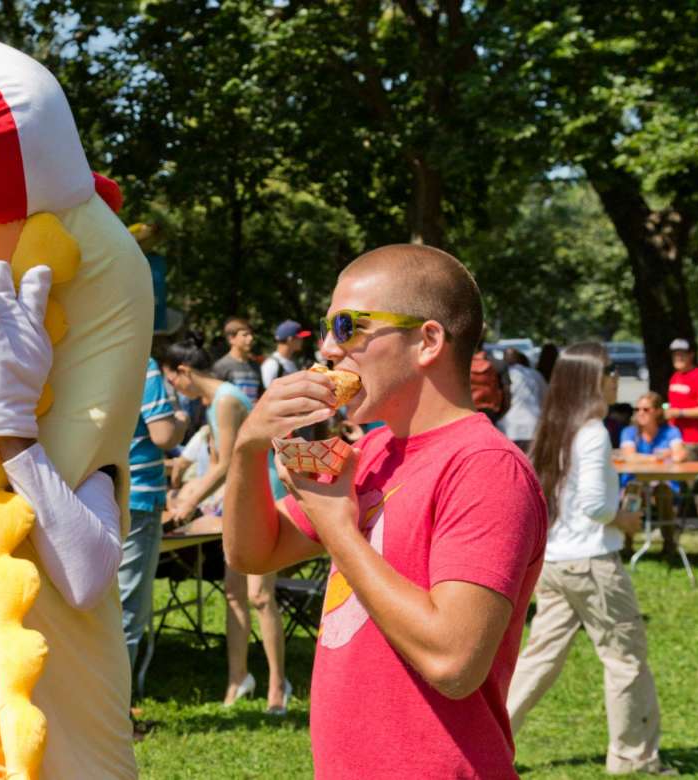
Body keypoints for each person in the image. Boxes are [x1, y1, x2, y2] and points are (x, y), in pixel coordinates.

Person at [223, 244, 546, 777]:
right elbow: (253, 552)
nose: (328, 349)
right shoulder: (372, 451)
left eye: (348, 326)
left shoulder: (486, 467)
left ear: (427, 340)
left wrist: (337, 529)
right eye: (326, 328)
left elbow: (454, 663)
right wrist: (247, 449)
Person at [508, 344, 673, 775]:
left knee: (539, 659)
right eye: (609, 370)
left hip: (557, 563)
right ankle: (632, 757)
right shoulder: (595, 431)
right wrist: (627, 519)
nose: (616, 376)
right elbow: (597, 507)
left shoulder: (556, 428)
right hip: (592, 562)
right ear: (589, 379)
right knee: (625, 659)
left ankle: (490, 738)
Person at [162, 334, 290, 714]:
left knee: (259, 596)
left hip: (262, 496)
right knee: (234, 593)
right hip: (239, 499)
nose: (176, 389)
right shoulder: (216, 401)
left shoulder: (228, 399)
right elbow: (222, 460)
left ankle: (277, 686)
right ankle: (238, 679)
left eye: (173, 381)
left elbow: (222, 465)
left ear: (183, 372)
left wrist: (189, 501)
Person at [119, 355, 187, 685]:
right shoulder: (140, 362)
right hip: (139, 496)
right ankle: (119, 712)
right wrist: (181, 420)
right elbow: (163, 435)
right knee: (128, 606)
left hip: (95, 489)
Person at [619, 391, 686, 557]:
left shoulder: (670, 431)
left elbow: (680, 455)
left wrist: (642, 458)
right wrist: (660, 457)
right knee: (633, 491)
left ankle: (669, 545)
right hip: (634, 483)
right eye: (637, 409)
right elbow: (629, 456)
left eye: (646, 409)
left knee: (663, 491)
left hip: (663, 483)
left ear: (657, 411)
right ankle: (627, 545)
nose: (640, 413)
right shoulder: (629, 432)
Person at [664, 338, 698, 459]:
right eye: (675, 354)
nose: (678, 357)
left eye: (682, 354)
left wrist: (679, 413)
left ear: (691, 355)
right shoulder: (675, 376)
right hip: (674, 439)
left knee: (689, 477)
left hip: (692, 441)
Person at [498, 347, 547, 453]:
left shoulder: (503, 375)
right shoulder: (535, 374)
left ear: (504, 359)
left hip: (509, 427)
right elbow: (545, 397)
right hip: (533, 426)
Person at [212, 317, 263, 403]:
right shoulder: (221, 366)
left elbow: (260, 394)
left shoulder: (256, 365)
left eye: (251, 334)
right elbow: (214, 398)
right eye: (245, 335)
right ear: (231, 339)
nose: (251, 338)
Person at [261, 320, 310, 390]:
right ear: (290, 339)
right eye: (299, 337)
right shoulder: (271, 364)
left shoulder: (293, 362)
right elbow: (269, 394)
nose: (302, 340)